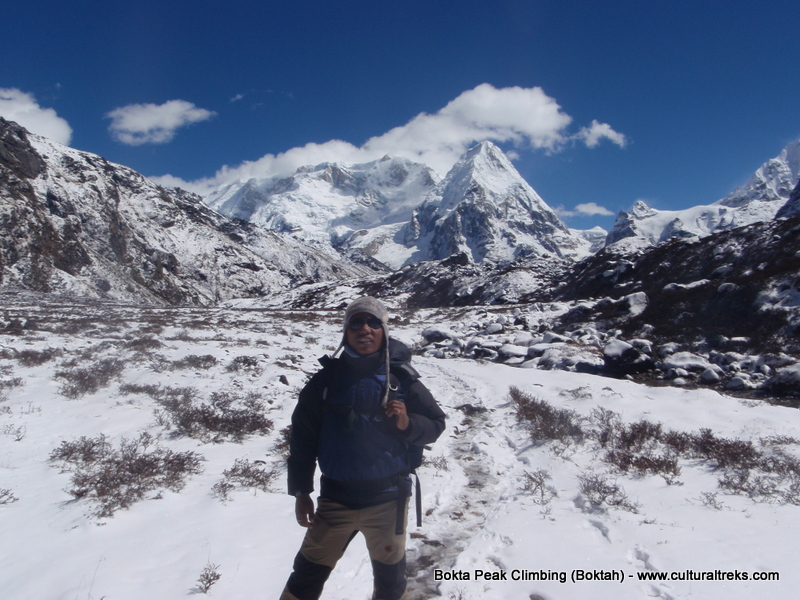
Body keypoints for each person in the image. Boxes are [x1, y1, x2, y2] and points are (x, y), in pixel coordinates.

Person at [279, 296, 446, 600]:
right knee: (305, 578)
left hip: (388, 500)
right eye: (356, 322)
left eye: (373, 322)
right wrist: (301, 492)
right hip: (335, 501)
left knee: (390, 585)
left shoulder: (402, 380)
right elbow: (303, 440)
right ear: (345, 331)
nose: (364, 329)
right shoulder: (324, 382)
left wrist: (408, 425)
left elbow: (436, 424)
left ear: (384, 330)